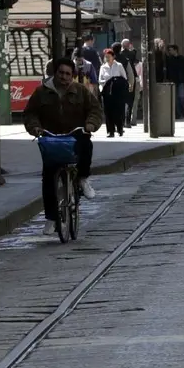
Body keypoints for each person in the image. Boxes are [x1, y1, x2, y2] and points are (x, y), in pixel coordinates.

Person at [24, 58, 103, 236]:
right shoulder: (41, 92)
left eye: (68, 74)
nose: (64, 77)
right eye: (61, 73)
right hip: (51, 137)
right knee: (49, 177)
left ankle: (82, 178)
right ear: (55, 73)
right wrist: (35, 128)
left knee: (86, 144)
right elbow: (30, 113)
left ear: (72, 76)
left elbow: (95, 110)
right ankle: (51, 218)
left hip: (75, 134)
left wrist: (90, 124)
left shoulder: (81, 91)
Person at [98, 50, 129, 136]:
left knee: (118, 110)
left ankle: (120, 128)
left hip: (117, 92)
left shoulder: (119, 65)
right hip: (107, 91)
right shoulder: (103, 67)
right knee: (108, 111)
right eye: (106, 57)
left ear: (113, 56)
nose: (107, 58)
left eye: (109, 56)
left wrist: (116, 80)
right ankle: (110, 131)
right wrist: (107, 81)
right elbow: (100, 80)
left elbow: (124, 78)